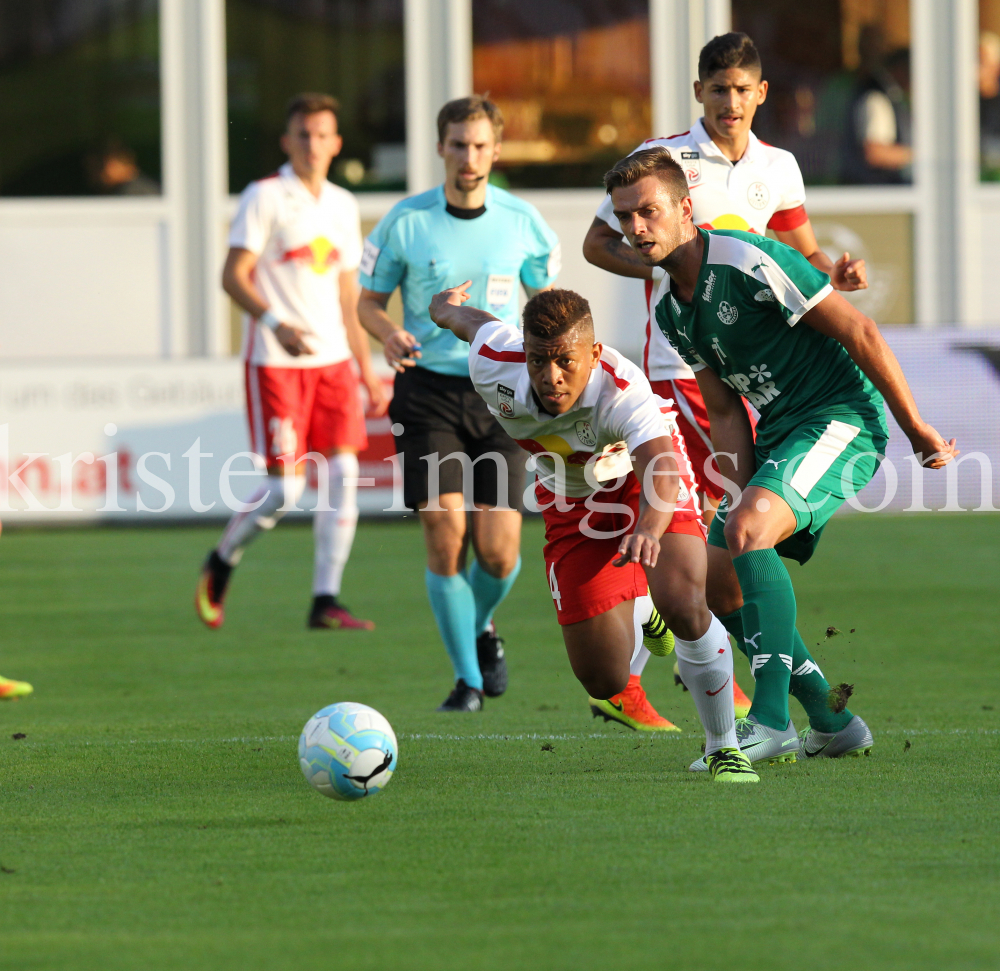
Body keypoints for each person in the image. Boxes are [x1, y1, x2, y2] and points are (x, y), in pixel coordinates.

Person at [605, 147, 957, 767]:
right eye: (625, 217)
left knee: (743, 537)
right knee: (718, 583)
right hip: (781, 435)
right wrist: (734, 493)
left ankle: (770, 723)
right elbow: (721, 412)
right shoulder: (670, 311)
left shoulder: (745, 259)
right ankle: (829, 716)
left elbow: (860, 331)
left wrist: (916, 428)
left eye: (648, 212)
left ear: (686, 209)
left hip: (842, 420)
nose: (635, 228)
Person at [584, 31, 870, 727]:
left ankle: (807, 708)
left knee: (730, 549)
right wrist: (666, 264)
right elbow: (598, 244)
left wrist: (835, 271)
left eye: (742, 89)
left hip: (757, 380)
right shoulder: (665, 161)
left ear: (761, 93)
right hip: (683, 372)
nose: (730, 101)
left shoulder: (780, 166)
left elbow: (799, 249)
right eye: (718, 89)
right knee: (720, 546)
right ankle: (686, 649)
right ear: (699, 94)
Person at [430, 284, 757, 782]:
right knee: (604, 678)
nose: (551, 376)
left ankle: (723, 747)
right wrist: (441, 306)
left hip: (639, 482)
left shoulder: (621, 389)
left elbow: (662, 470)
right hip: (567, 499)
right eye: (539, 360)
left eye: (565, 361)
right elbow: (466, 322)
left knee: (687, 599)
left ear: (595, 353)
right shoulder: (495, 360)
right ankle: (644, 611)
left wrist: (649, 527)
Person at [357, 96, 561, 712]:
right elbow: (368, 301)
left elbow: (549, 308)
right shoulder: (405, 221)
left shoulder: (525, 222)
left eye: (479, 145)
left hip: (503, 396)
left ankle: (480, 626)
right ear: (440, 147)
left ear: (495, 151)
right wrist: (387, 332)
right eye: (456, 144)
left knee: (499, 554)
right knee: (445, 531)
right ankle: (467, 680)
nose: (468, 156)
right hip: (426, 395)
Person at [195, 93, 388, 631]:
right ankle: (222, 558)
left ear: (336, 143)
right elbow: (232, 275)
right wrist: (275, 322)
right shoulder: (265, 196)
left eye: (322, 134)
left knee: (345, 474)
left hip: (333, 366)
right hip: (277, 363)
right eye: (302, 134)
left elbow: (350, 296)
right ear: (287, 141)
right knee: (286, 489)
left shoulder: (344, 205)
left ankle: (325, 599)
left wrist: (366, 368)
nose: (312, 144)